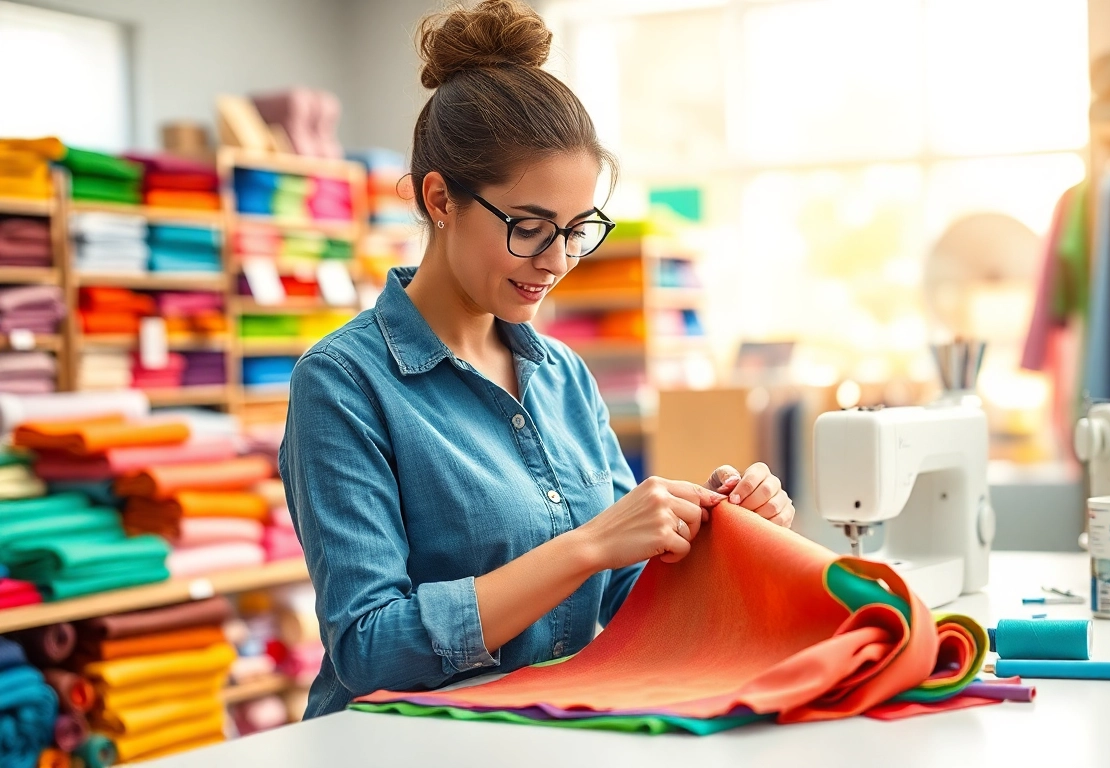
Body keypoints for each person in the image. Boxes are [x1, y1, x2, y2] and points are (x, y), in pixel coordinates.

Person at [279, 0, 795, 719]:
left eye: (577, 230)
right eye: (529, 228)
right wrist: (586, 546)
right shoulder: (343, 383)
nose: (555, 262)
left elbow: (622, 600)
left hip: (544, 727)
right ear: (439, 199)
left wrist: (718, 535)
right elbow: (368, 647)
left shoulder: (562, 376)